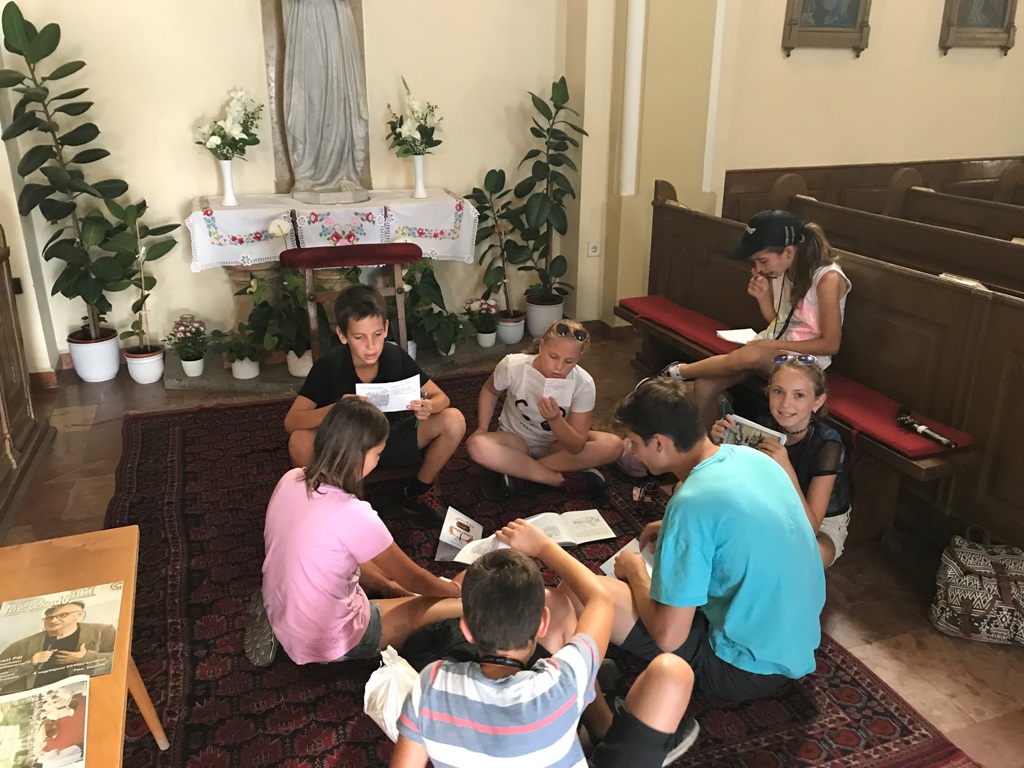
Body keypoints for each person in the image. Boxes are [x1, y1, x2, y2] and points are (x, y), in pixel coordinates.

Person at [573, 378, 824, 715]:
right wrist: (670, 529)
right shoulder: (753, 458)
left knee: (584, 591)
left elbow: (668, 636)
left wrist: (634, 573)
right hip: (798, 642)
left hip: (741, 669)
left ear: (659, 443)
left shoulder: (691, 504)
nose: (631, 451)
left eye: (633, 441)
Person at [391, 519, 700, 768]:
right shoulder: (562, 680)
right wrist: (543, 546)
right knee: (672, 671)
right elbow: (599, 599)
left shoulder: (430, 683)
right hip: (572, 693)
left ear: (466, 629)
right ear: (542, 623)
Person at [247, 398, 463, 668]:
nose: (379, 460)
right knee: (452, 608)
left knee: (365, 566)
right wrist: (452, 590)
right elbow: (411, 577)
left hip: (280, 600)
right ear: (359, 456)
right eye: (378, 454)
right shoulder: (355, 514)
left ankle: (278, 617)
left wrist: (388, 585)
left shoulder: (291, 478)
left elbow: (351, 558)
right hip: (326, 638)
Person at [284, 283, 466, 522]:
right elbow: (292, 421)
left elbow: (441, 397)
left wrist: (430, 406)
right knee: (299, 441)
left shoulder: (394, 356)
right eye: (359, 337)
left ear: (386, 328)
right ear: (342, 335)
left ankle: (418, 491)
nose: (371, 346)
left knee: (454, 420)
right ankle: (331, 502)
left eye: (377, 334)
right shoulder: (330, 366)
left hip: (388, 440)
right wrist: (337, 408)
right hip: (345, 449)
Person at [661, 209, 851, 427]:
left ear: (788, 252)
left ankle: (678, 371)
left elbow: (830, 344)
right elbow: (780, 323)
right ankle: (715, 445)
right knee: (705, 385)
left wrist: (771, 345)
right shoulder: (783, 269)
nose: (758, 269)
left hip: (807, 361)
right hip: (775, 350)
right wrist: (763, 299)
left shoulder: (827, 279)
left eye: (762, 261)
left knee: (751, 353)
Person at [711, 355, 851, 567]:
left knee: (802, 558)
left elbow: (809, 528)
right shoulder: (764, 422)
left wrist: (786, 470)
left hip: (819, 524)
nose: (786, 403)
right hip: (769, 505)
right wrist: (719, 443)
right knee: (691, 493)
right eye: (778, 392)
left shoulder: (828, 445)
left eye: (799, 395)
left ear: (817, 401)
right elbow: (733, 480)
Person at [466, 320, 624, 497]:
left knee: (614, 446)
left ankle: (519, 471)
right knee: (477, 445)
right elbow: (490, 390)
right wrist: (482, 427)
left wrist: (555, 419)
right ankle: (557, 480)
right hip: (515, 441)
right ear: (542, 347)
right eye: (553, 357)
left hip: (556, 447)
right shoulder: (513, 365)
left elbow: (575, 446)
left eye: (569, 361)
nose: (559, 367)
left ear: (578, 359)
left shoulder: (584, 384)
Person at [0, 602, 115, 693]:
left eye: (63, 615)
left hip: (85, 693)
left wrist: (85, 658)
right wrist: (30, 663)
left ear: (80, 615)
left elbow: (119, 662)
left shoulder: (103, 631)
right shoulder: (19, 645)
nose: (53, 620)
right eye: (49, 617)